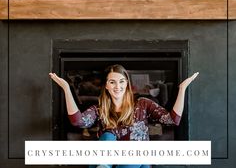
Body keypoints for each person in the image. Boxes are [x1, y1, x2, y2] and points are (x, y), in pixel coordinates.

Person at [49, 64, 199, 168]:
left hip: (135, 160)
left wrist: (182, 89)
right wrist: (66, 89)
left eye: (121, 81)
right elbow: (78, 121)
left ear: (127, 83)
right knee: (108, 137)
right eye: (112, 82)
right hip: (107, 163)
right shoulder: (100, 109)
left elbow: (172, 120)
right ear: (106, 85)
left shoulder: (143, 104)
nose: (117, 86)